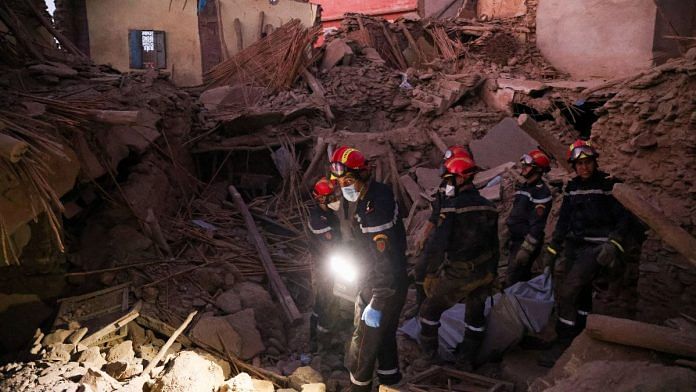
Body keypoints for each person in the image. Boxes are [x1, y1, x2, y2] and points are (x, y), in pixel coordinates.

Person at [538, 139, 633, 367]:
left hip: (598, 247)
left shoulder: (608, 186)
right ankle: (579, 333)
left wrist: (614, 244)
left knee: (568, 291)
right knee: (576, 292)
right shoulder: (572, 189)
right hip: (576, 246)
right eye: (579, 164)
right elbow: (563, 222)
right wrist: (552, 249)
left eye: (588, 162)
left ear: (594, 162)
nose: (584, 168)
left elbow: (626, 220)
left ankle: (564, 342)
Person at [329, 146, 408, 391]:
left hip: (380, 288)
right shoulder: (378, 194)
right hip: (394, 282)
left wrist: (376, 300)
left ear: (363, 175)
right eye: (340, 182)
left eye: (348, 181)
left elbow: (383, 260)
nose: (344, 187)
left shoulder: (374, 210)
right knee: (385, 339)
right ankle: (390, 384)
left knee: (361, 349)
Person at [416, 151, 500, 368]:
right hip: (484, 271)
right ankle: (467, 358)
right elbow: (495, 244)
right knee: (475, 315)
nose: (447, 185)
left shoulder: (452, 207)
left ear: (461, 178)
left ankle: (429, 357)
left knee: (429, 310)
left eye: (450, 180)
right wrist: (493, 273)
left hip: (460, 273)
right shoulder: (489, 207)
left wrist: (431, 273)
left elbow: (439, 244)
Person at [408, 145, 472, 318]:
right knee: (421, 269)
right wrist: (424, 232)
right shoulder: (446, 185)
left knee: (446, 280)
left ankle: (442, 311)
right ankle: (421, 306)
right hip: (439, 235)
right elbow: (436, 212)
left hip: (454, 242)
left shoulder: (467, 194)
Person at [505, 150, 553, 287]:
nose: (523, 168)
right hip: (515, 240)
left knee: (513, 280)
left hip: (525, 242)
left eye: (528, 165)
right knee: (519, 279)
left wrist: (526, 249)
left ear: (538, 169)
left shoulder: (541, 192)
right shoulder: (525, 187)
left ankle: (515, 306)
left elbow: (537, 226)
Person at [307, 177, 341, 352]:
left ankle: (333, 331)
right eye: (330, 197)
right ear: (320, 199)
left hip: (333, 261)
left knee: (335, 298)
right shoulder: (316, 219)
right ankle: (317, 341)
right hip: (322, 265)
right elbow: (330, 242)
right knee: (323, 299)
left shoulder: (330, 215)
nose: (334, 199)